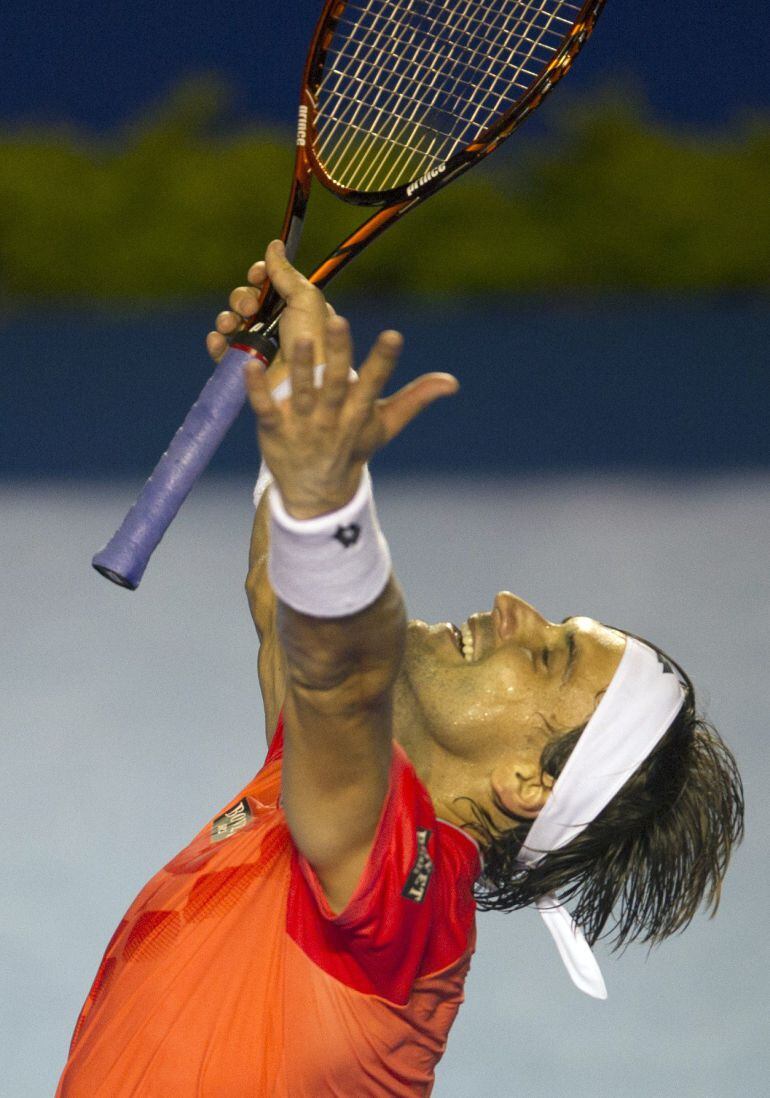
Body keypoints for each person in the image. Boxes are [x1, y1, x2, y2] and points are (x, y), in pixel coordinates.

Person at [57, 242, 744, 1096]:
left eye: (546, 655)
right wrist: (301, 386)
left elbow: (342, 671)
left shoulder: (414, 912)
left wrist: (333, 501)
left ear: (528, 782)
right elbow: (290, 602)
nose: (510, 607)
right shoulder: (315, 780)